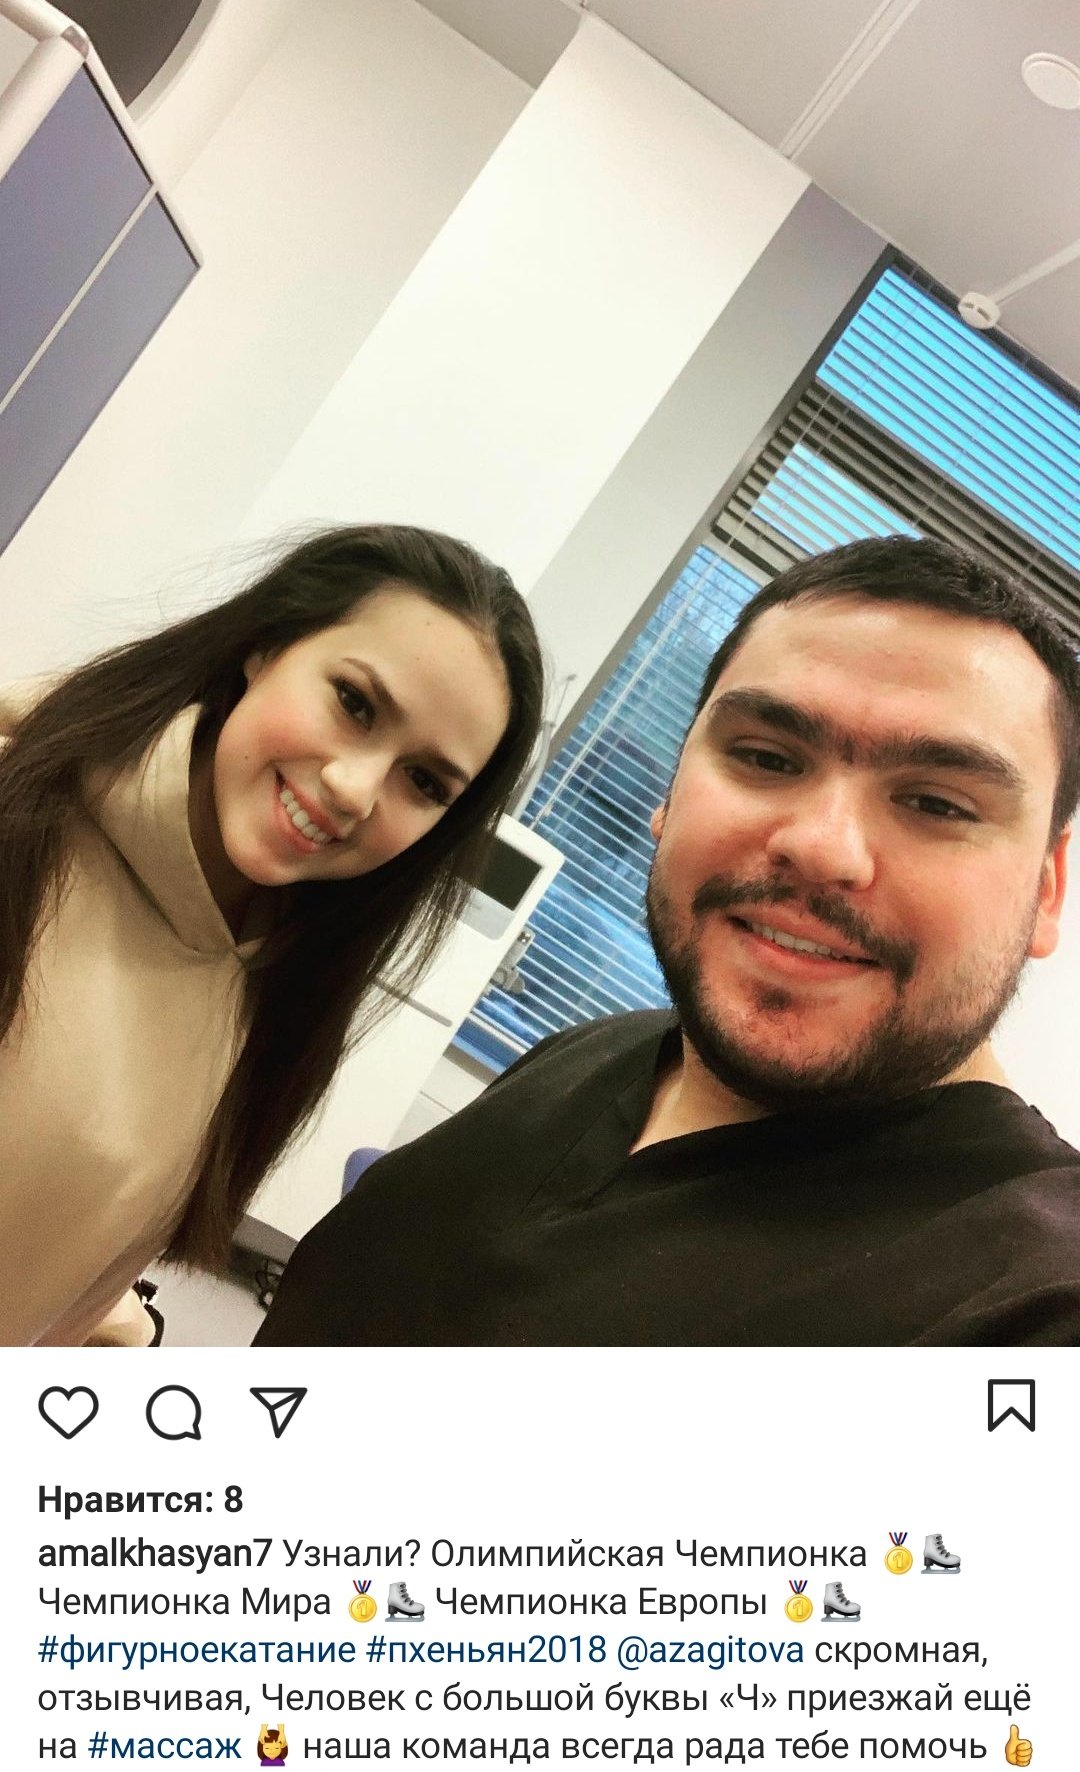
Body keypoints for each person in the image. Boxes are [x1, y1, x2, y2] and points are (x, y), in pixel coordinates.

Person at [256, 535, 1080, 1347]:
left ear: (1047, 889)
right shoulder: (592, 1053)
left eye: (938, 804)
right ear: (670, 790)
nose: (821, 846)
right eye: (767, 757)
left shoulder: (1032, 1300)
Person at [0, 523, 543, 1346]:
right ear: (267, 646)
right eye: (354, 703)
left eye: (425, 781)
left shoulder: (275, 972)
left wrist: (112, 1333)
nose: (355, 789)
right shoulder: (22, 822)